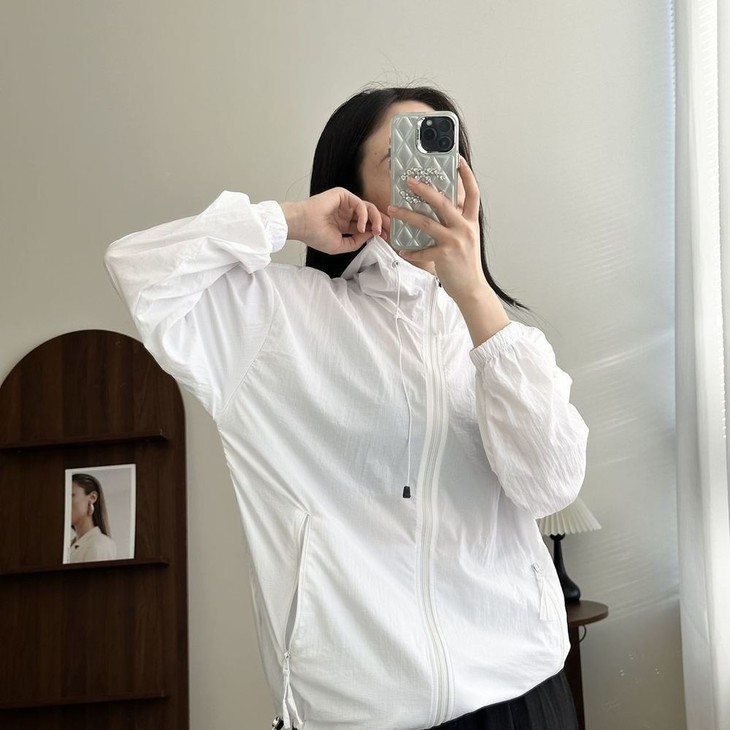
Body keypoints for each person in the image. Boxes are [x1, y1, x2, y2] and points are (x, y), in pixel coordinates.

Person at [105, 86, 588, 730]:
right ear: (353, 187)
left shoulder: (500, 342)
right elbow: (139, 270)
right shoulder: (279, 319)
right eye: (402, 157)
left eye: (445, 155)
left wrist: (473, 292)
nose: (432, 178)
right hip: (358, 713)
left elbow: (552, 484)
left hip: (523, 695)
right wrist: (289, 220)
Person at [68, 473, 117, 563]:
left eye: (71, 496)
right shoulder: (69, 546)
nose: (65, 503)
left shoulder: (101, 544)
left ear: (92, 497)